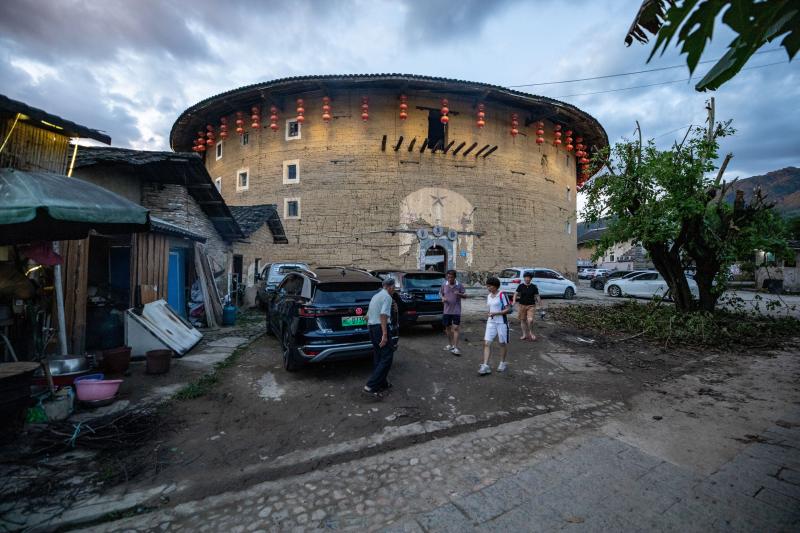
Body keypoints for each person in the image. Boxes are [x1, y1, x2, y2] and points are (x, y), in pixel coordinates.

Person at [364, 277, 396, 396]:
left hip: (372, 328)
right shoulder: (387, 297)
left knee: (378, 355)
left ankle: (382, 383)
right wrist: (385, 334)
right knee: (387, 357)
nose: (394, 290)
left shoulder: (375, 296)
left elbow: (366, 317)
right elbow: (383, 315)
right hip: (380, 328)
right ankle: (371, 385)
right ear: (390, 287)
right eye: (394, 288)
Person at [479, 276, 511, 375]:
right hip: (491, 322)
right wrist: (490, 314)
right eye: (487, 286)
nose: (488, 288)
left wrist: (496, 313)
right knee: (487, 343)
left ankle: (502, 363)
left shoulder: (502, 294)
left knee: (502, 343)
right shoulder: (489, 296)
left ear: (496, 286)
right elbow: (491, 308)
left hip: (502, 322)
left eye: (490, 286)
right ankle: (485, 366)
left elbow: (508, 309)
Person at [440, 269, 467, 356]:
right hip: (447, 311)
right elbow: (440, 293)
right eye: (448, 277)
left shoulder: (459, 285)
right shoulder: (444, 284)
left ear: (455, 277)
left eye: (451, 277)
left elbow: (465, 296)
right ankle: (450, 344)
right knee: (447, 328)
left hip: (456, 310)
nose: (449, 279)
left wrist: (459, 294)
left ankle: (455, 347)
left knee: (455, 328)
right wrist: (442, 298)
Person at [513, 271, 540, 341]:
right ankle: (524, 334)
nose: (527, 279)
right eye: (526, 277)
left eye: (529, 278)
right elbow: (515, 294)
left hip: (531, 306)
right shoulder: (521, 286)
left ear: (531, 279)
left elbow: (537, 296)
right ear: (524, 278)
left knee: (530, 320)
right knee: (522, 320)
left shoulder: (534, 287)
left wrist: (540, 304)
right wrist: (514, 301)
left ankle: (531, 332)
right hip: (522, 305)